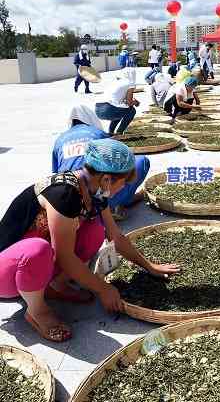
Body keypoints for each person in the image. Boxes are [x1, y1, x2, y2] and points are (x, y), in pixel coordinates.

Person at [0, 139, 179, 342]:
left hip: (41, 263)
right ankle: (37, 311)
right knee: (37, 250)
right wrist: (103, 288)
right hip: (8, 272)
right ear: (106, 180)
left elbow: (115, 236)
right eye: (123, 184)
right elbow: (64, 256)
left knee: (95, 229)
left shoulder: (96, 192)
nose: (123, 189)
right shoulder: (64, 194)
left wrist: (149, 266)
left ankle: (56, 286)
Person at [52, 105, 150, 215]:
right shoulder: (98, 134)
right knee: (142, 161)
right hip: (98, 195)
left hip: (67, 196)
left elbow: (56, 173)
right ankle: (122, 201)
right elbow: (115, 167)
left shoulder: (60, 139)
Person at [95, 68, 139, 135]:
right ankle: (119, 132)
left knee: (120, 110)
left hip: (98, 109)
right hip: (108, 110)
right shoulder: (130, 83)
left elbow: (118, 99)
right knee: (131, 110)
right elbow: (129, 102)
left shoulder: (115, 82)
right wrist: (136, 102)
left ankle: (111, 132)